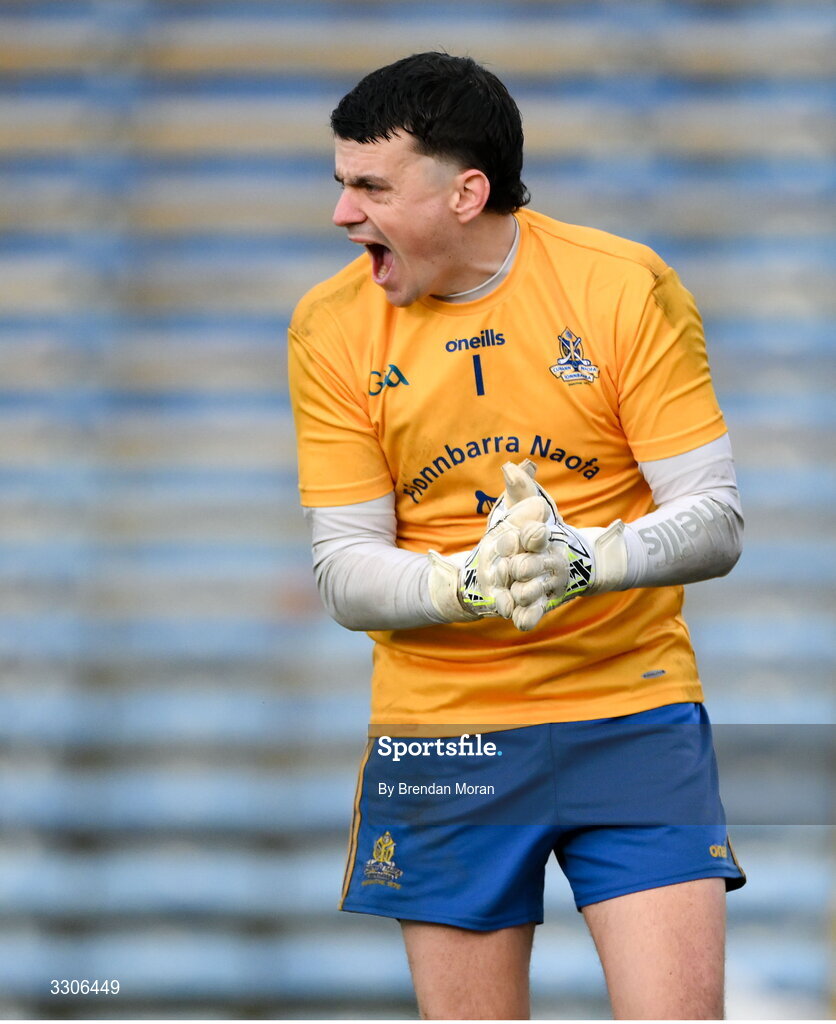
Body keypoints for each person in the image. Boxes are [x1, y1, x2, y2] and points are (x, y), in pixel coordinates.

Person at [288, 52, 746, 1020]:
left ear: (465, 191)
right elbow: (343, 570)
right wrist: (467, 584)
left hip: (630, 710)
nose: (342, 214)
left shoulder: (622, 285)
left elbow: (713, 518)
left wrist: (586, 561)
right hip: (439, 733)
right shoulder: (329, 326)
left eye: (369, 186)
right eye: (341, 185)